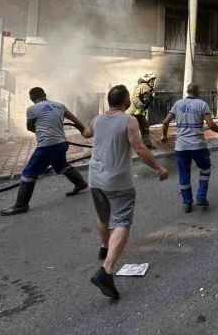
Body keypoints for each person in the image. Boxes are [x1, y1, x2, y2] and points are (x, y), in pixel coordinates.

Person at [83, 85, 168, 299]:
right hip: (118, 181)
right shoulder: (128, 120)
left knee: (103, 216)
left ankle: (104, 246)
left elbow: (86, 133)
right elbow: (139, 149)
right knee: (121, 221)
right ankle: (106, 269)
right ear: (125, 101)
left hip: (95, 179)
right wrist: (158, 168)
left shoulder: (97, 119)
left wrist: (80, 122)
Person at [0, 87, 89, 216]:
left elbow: (30, 127)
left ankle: (21, 205)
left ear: (31, 99)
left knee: (29, 172)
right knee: (61, 165)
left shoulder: (32, 109)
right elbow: (75, 120)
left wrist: (42, 130)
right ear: (45, 95)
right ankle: (81, 184)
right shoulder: (59, 105)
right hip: (62, 143)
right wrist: (83, 130)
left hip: (47, 145)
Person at [162, 83, 218, 213]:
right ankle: (201, 197)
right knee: (205, 168)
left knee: (184, 173)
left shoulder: (177, 104)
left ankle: (187, 203)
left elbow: (165, 122)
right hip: (198, 145)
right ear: (197, 92)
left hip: (181, 146)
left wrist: (164, 136)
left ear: (187, 92)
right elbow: (210, 124)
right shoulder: (202, 104)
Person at [126, 73, 157, 148]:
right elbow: (134, 98)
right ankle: (126, 145)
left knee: (145, 127)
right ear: (147, 80)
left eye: (153, 80)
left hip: (139, 113)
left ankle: (147, 145)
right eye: (151, 80)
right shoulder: (143, 86)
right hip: (132, 113)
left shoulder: (148, 88)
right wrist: (142, 106)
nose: (152, 82)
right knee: (129, 129)